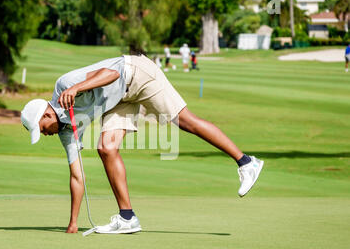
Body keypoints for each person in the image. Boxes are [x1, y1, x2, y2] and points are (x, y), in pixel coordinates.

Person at [21, 54, 264, 234]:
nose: (45, 135)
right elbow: (76, 176)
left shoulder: (64, 84)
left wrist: (77, 88)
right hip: (120, 99)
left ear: (46, 115)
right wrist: (73, 222)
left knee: (185, 121)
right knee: (106, 147)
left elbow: (112, 73)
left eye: (43, 130)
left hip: (136, 73)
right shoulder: (66, 131)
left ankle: (246, 162)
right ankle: (127, 217)